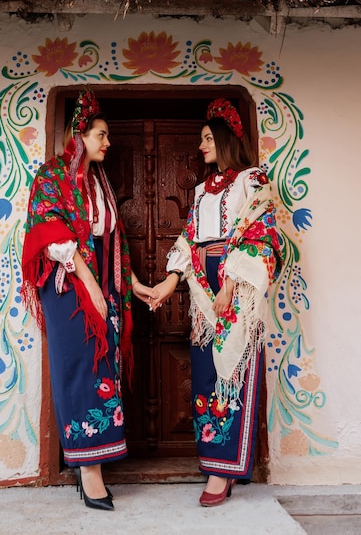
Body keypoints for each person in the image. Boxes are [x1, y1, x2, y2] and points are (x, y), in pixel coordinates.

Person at [21, 89, 154, 511]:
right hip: (68, 289)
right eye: (101, 134)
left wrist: (130, 284)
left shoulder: (100, 184)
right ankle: (87, 469)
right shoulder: (52, 177)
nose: (107, 143)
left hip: (102, 288)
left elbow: (113, 240)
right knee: (79, 368)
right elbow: (49, 232)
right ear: (79, 135)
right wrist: (91, 286)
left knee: (103, 369)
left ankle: (95, 461)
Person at [151, 97, 282, 507]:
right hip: (203, 288)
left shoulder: (252, 179)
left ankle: (225, 469)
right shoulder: (202, 191)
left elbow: (264, 234)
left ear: (225, 139)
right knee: (206, 370)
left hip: (236, 285)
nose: (202, 146)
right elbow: (189, 240)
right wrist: (171, 281)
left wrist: (231, 282)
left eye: (208, 138)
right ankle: (213, 458)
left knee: (234, 371)